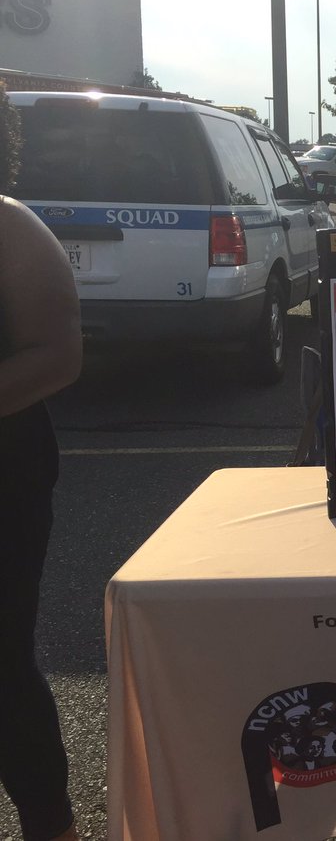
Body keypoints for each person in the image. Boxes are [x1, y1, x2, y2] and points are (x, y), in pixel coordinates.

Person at [1, 83, 84, 841]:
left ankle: (47, 820)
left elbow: (58, 354)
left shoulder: (10, 228)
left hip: (5, 475)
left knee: (1, 665)